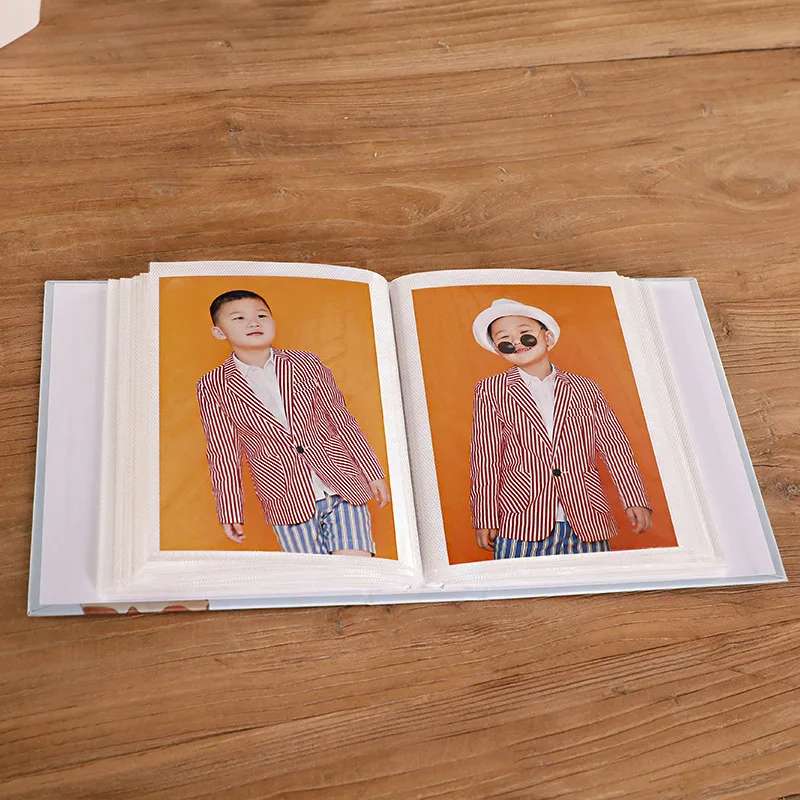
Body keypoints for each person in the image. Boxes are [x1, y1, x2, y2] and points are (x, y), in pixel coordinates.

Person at [196, 289, 390, 556]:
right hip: (284, 498)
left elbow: (341, 420)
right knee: (315, 577)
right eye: (239, 318)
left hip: (342, 483)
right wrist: (229, 509)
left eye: (261, 315)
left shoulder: (307, 363)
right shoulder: (213, 385)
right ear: (219, 332)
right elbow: (223, 451)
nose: (253, 323)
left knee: (355, 568)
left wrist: (372, 472)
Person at [469, 298, 652, 558]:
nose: (517, 343)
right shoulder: (490, 390)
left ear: (548, 337)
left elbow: (615, 447)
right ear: (499, 350)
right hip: (520, 521)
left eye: (525, 334)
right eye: (505, 340)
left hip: (587, 517)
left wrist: (634, 498)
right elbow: (485, 457)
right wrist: (484, 515)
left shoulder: (585, 388)